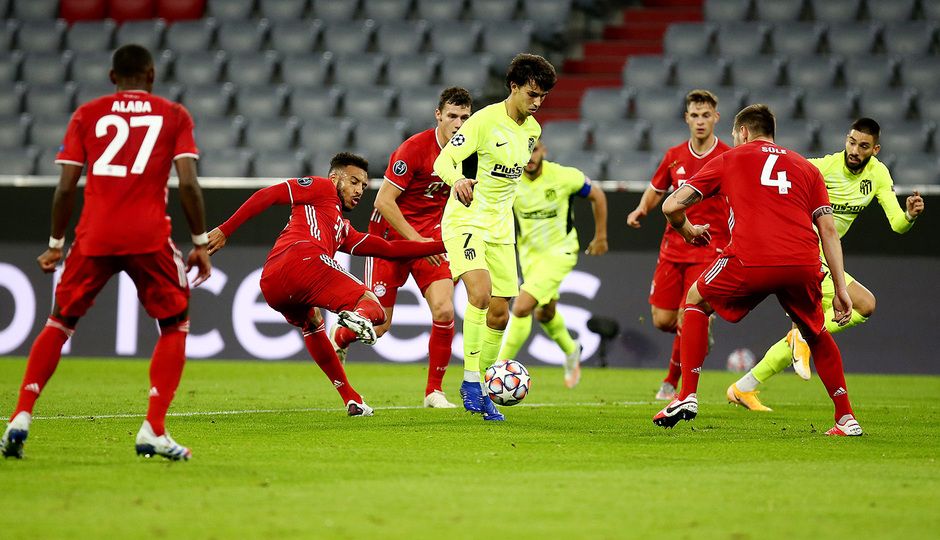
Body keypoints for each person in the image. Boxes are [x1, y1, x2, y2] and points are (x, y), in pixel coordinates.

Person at [1, 44, 211, 461]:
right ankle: (153, 428)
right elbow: (188, 184)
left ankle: (20, 415)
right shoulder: (173, 114)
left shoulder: (88, 114)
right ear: (151, 75)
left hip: (94, 236)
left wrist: (56, 245)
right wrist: (201, 243)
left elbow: (64, 187)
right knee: (175, 323)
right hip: (149, 237)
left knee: (59, 322)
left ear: (113, 77)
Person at [653, 104, 863, 436]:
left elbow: (670, 205)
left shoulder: (729, 159)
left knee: (695, 299)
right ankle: (845, 418)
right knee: (816, 332)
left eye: (736, 136)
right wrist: (839, 289)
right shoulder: (807, 169)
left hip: (750, 258)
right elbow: (829, 231)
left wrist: (688, 230)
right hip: (802, 262)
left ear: (744, 132)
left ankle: (687, 395)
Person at [206, 153, 446, 417]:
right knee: (374, 310)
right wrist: (225, 229)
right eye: (354, 182)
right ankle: (356, 318)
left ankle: (351, 398)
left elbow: (388, 248)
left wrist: (444, 245)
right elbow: (269, 195)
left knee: (312, 322)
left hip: (273, 282)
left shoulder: (342, 229)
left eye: (364, 186)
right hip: (304, 260)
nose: (359, 191)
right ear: (335, 178)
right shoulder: (320, 188)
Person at [727, 118, 925, 410]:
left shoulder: (879, 175)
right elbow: (778, 182)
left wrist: (909, 216)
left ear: (876, 149)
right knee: (863, 304)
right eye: (851, 141)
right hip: (803, 251)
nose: (855, 150)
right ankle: (801, 339)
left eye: (864, 146)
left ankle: (745, 387)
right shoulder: (822, 167)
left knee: (852, 312)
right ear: (846, 139)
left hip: (825, 256)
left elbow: (896, 225)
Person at [433, 53, 556, 421]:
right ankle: (471, 381)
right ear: (514, 87)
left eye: (542, 97)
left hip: (502, 228)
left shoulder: (533, 131)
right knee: (480, 294)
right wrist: (458, 180)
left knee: (501, 314)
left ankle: (485, 388)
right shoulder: (484, 121)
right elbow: (444, 162)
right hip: (467, 220)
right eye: (531, 94)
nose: (537, 103)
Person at [330, 87, 472, 409]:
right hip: (390, 237)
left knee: (445, 310)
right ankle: (340, 337)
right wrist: (416, 241)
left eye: (465, 117)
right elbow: (383, 201)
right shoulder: (414, 149)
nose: (459, 124)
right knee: (379, 325)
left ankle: (434, 392)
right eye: (452, 116)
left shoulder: (468, 153)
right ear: (438, 115)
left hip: (429, 238)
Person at [627, 89, 731, 401]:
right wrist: (642, 209)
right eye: (695, 115)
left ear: (716, 117)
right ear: (687, 118)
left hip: (708, 248)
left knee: (689, 313)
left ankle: (672, 382)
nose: (700, 121)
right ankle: (700, 334)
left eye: (706, 115)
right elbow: (656, 188)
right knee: (663, 320)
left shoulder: (727, 156)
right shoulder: (674, 155)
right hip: (672, 247)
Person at [496, 140, 608, 388]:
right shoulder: (510, 181)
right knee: (545, 313)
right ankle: (571, 350)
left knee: (522, 306)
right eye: (524, 152)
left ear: (544, 150)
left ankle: (497, 368)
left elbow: (597, 195)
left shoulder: (564, 176)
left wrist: (600, 237)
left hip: (561, 252)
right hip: (529, 258)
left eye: (534, 150)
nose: (530, 157)